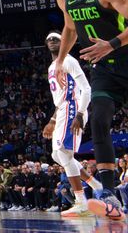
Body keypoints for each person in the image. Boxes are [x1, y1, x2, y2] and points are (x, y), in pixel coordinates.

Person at [52, 0, 128, 220]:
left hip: (124, 55)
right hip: (104, 70)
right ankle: (109, 194)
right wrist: (60, 60)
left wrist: (112, 44)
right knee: (98, 120)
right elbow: (70, 29)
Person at [43, 29, 103, 217]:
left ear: (64, 43)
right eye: (49, 39)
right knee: (56, 155)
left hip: (72, 108)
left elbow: (86, 88)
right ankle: (95, 185)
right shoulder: (52, 67)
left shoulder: (68, 60)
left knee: (63, 152)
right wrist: (52, 120)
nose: (52, 40)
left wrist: (79, 114)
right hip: (62, 110)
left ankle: (81, 202)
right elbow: (59, 98)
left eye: (56, 39)